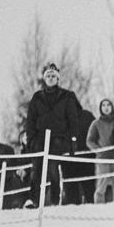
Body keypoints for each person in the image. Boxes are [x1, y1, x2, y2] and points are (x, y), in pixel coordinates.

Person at [25, 63, 79, 208]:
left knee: (53, 171)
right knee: (36, 170)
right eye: (48, 76)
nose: (50, 78)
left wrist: (73, 139)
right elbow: (30, 119)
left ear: (57, 79)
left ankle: (55, 200)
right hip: (39, 139)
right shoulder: (37, 97)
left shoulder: (66, 96)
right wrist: (29, 139)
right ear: (45, 79)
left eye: (53, 76)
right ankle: (33, 200)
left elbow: (72, 119)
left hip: (58, 139)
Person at [62, 100, 96, 205]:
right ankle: (73, 214)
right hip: (68, 160)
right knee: (71, 192)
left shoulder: (87, 115)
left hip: (86, 158)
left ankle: (94, 210)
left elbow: (94, 133)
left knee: (90, 188)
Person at [86, 99, 114, 203]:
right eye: (103, 105)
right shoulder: (96, 123)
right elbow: (89, 140)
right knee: (101, 187)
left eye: (108, 105)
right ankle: (99, 208)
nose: (106, 107)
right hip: (103, 159)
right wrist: (98, 150)